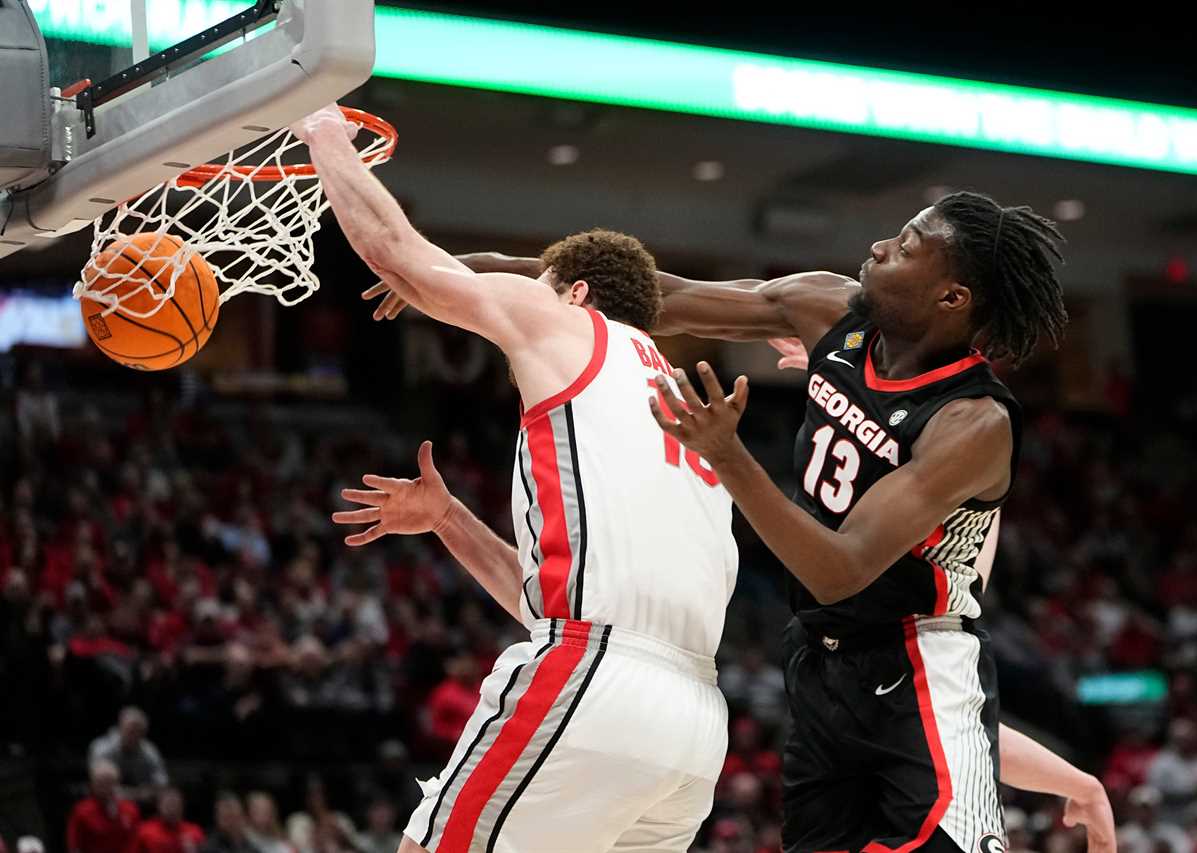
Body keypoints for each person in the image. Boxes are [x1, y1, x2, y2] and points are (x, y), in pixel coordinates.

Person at [418, 192, 1115, 851]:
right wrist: (477, 281)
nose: (877, 246)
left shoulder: (973, 421)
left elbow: (838, 569)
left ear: (951, 297)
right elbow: (665, 297)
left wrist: (727, 453)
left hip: (920, 653)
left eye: (906, 247)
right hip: (817, 667)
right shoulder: (827, 305)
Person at [293, 104, 738, 853]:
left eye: (543, 283)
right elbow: (564, 604)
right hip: (694, 727)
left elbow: (400, 254)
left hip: (595, 683)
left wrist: (325, 134)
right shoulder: (678, 407)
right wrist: (448, 519)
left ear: (576, 293)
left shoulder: (570, 323)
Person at [66, 760, 140, 853]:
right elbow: (74, 846)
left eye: (110, 782)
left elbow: (135, 842)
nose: (106, 787)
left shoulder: (130, 809)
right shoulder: (82, 811)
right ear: (92, 785)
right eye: (101, 783)